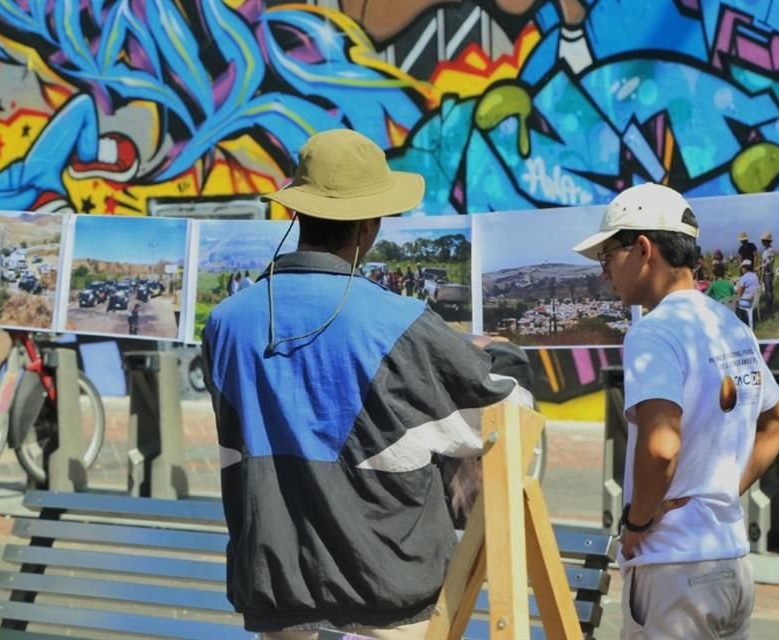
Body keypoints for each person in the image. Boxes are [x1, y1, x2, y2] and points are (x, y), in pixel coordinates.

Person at [200, 129, 532, 640]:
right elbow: (502, 416)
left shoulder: (225, 323)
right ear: (368, 228)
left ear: (296, 214)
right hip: (385, 586)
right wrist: (501, 355)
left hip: (274, 585)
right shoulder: (398, 322)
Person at [572, 182, 779, 640]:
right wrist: (724, 488)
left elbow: (661, 446)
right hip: (730, 563)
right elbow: (775, 422)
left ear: (643, 248)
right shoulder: (729, 324)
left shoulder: (652, 333)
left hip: (673, 568)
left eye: (608, 254)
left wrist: (636, 524)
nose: (604, 271)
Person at [735, 259, 760, 324]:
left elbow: (739, 293)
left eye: (742, 267)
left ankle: (739, 321)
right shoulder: (755, 275)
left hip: (747, 301)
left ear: (745, 268)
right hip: (754, 300)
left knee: (733, 302)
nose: (741, 269)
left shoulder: (744, 278)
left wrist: (736, 298)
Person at [760, 232, 776, 315]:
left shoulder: (770, 250)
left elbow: (769, 262)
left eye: (763, 240)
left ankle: (769, 307)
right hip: (765, 272)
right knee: (767, 290)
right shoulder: (766, 250)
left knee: (769, 290)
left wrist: (761, 266)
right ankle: (768, 304)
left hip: (768, 272)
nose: (762, 242)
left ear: (767, 241)